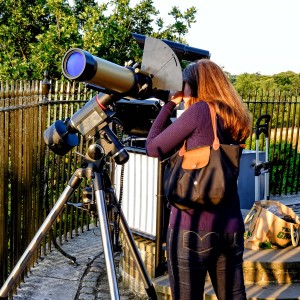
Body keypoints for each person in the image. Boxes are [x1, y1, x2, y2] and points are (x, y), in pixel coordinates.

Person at [146, 59, 251, 300]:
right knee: (234, 295)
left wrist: (170, 103)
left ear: (193, 85)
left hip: (192, 228)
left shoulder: (200, 111)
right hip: (231, 228)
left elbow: (154, 147)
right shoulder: (236, 115)